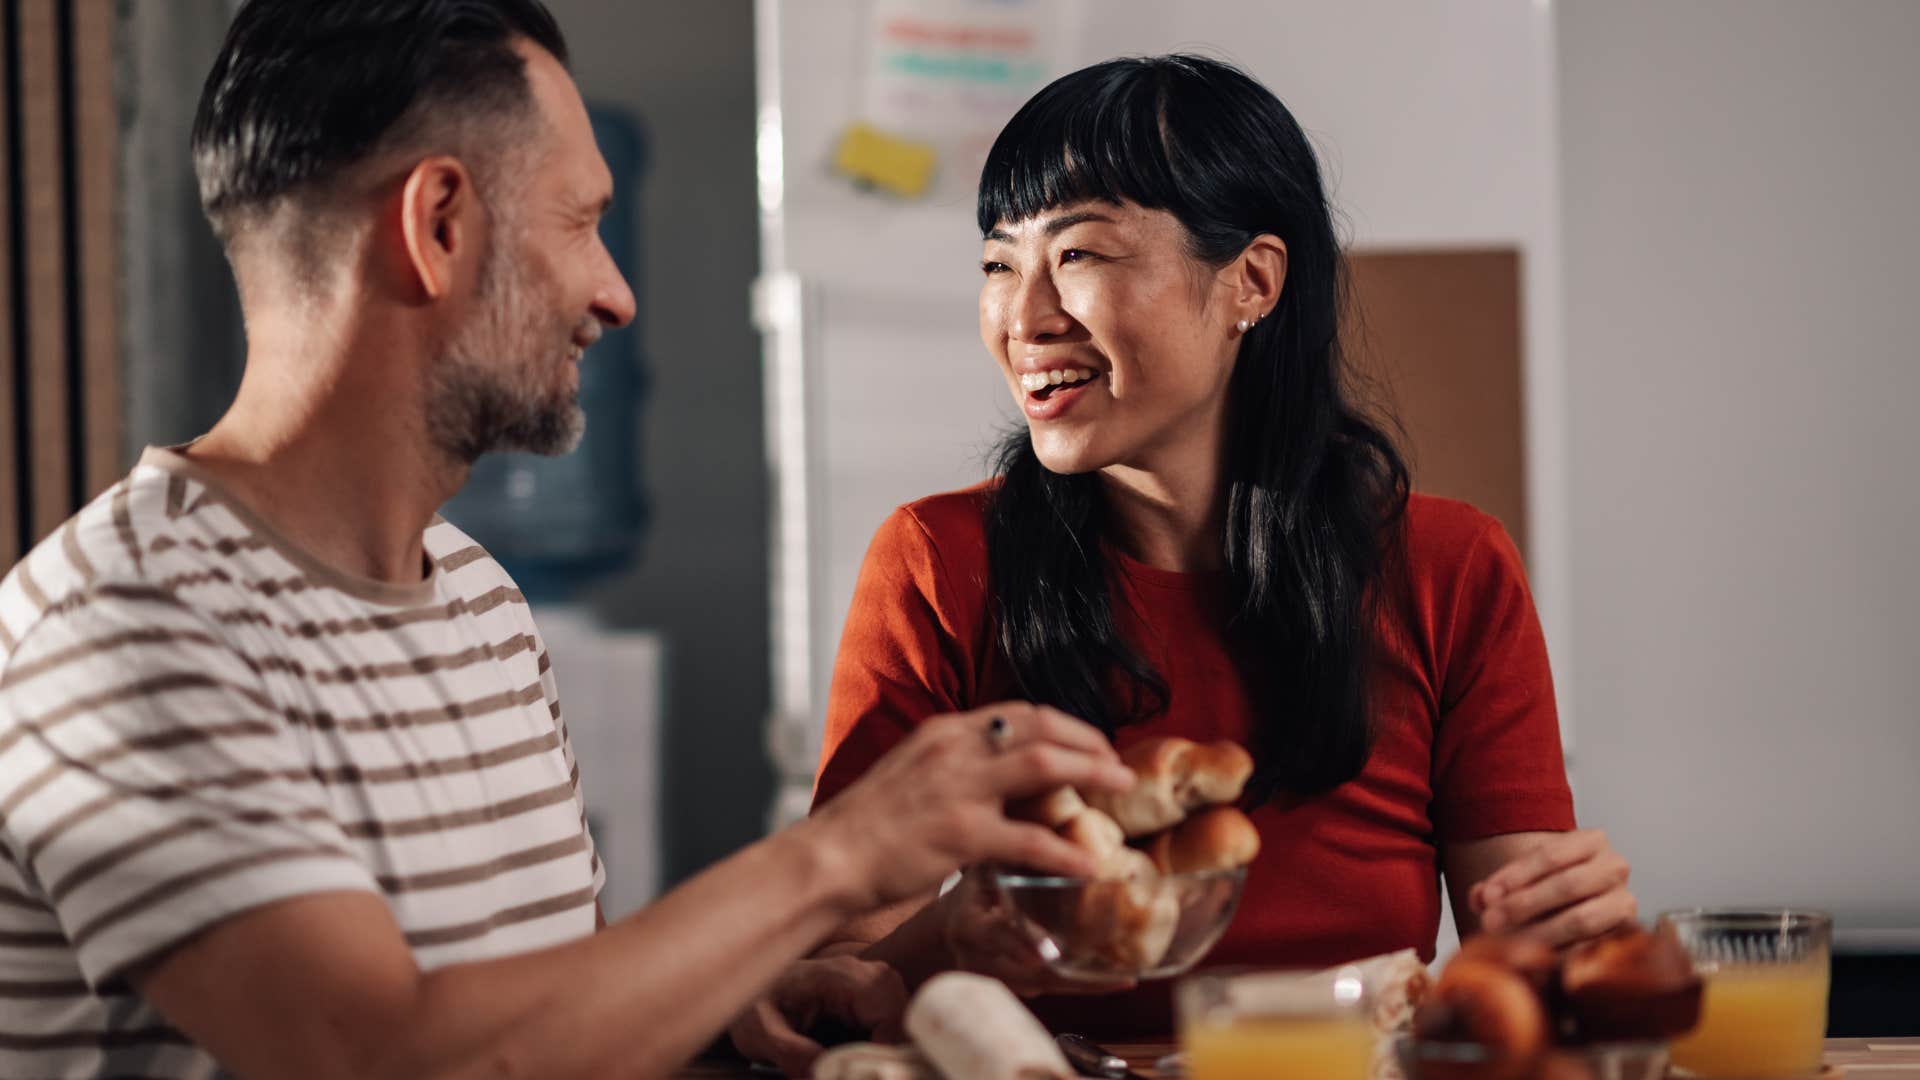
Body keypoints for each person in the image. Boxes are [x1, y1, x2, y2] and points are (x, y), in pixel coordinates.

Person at [0, 3, 1135, 1077]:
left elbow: (541, 1027)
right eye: (581, 223)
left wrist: (731, 1009)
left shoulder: (479, 606)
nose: (617, 293)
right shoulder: (128, 622)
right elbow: (370, 1058)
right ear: (437, 224)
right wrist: (841, 855)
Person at [783, 54, 1637, 1039]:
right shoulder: (939, 561)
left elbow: (1521, 961)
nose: (1023, 320)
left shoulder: (1451, 566)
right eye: (998, 264)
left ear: (1253, 282)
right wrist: (975, 926)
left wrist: (1570, 938)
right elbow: (839, 977)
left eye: (1081, 256)